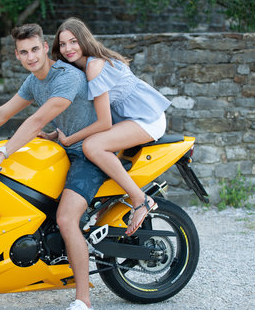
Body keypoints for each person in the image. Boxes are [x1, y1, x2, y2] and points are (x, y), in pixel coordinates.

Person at [0, 23, 104, 310]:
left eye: (35, 49)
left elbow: (39, 118)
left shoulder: (66, 77)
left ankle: (84, 305)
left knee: (66, 219)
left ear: (44, 48)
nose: (30, 57)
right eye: (24, 52)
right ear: (17, 55)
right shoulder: (32, 82)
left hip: (89, 153)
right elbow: (2, 114)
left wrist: (3, 153)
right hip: (63, 150)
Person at [51, 17, 171, 236]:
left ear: (84, 40)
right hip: (128, 118)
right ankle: (109, 201)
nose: (68, 48)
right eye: (63, 44)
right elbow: (84, 112)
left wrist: (70, 139)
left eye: (73, 41)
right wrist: (54, 134)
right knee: (95, 147)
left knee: (93, 146)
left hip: (146, 118)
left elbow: (104, 122)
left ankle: (140, 199)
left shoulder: (94, 66)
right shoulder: (79, 69)